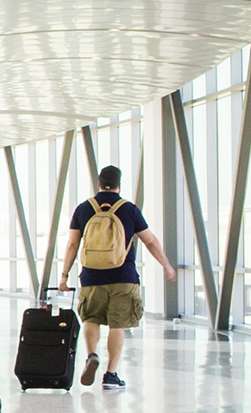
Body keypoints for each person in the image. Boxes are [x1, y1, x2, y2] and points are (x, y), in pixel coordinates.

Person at [55, 163, 178, 390]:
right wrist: (166, 265)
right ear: (119, 186)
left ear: (99, 184)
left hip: (91, 276)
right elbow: (150, 241)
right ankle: (111, 374)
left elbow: (72, 243)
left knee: (91, 318)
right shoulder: (129, 209)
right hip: (123, 275)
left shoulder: (84, 208)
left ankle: (92, 354)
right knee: (117, 324)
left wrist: (63, 276)